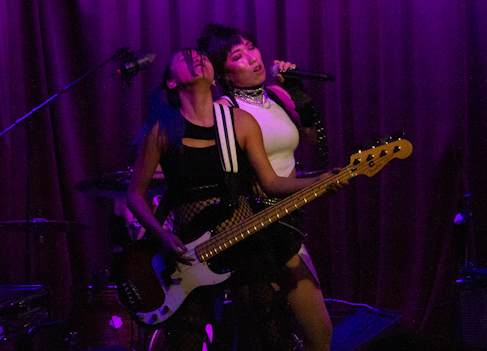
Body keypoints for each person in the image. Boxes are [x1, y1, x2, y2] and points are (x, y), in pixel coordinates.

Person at [126, 48, 345, 351]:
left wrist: (319, 181)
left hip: (244, 242)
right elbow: (135, 195)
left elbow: (270, 182)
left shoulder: (240, 122)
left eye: (199, 55)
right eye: (182, 58)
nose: (194, 58)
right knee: (186, 338)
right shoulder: (162, 130)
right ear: (172, 83)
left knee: (263, 333)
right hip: (189, 253)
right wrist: (162, 235)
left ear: (215, 77)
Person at [198, 24, 332, 351]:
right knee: (263, 335)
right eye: (237, 56)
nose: (253, 58)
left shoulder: (278, 95)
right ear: (224, 73)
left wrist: (300, 95)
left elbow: (318, 146)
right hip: (254, 230)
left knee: (318, 335)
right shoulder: (225, 112)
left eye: (251, 48)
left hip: (288, 223)